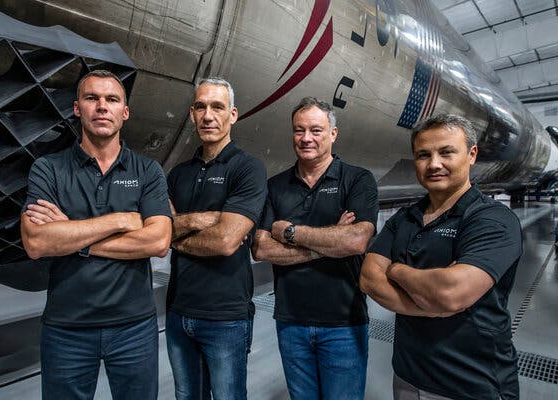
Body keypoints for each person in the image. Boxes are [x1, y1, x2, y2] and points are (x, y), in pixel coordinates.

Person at [20, 70, 172, 400]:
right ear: (77, 108)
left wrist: (71, 234)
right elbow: (36, 242)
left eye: (112, 99)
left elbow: (158, 241)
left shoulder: (147, 171)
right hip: (66, 329)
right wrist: (122, 219)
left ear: (125, 112)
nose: (102, 106)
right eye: (92, 98)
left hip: (134, 327)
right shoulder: (49, 169)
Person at [360, 114, 523, 400]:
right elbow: (370, 278)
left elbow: (450, 292)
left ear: (471, 155)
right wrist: (430, 305)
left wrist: (397, 270)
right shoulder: (405, 218)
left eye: (446, 152)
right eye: (424, 155)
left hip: (471, 384)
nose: (434, 164)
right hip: (408, 378)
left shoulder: (492, 219)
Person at [252, 97, 378, 400]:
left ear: (333, 134)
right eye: (299, 130)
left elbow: (356, 241)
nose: (306, 138)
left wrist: (290, 232)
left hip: (343, 324)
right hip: (290, 322)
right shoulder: (275, 186)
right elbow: (261, 249)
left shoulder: (357, 179)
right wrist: (329, 240)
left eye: (316, 130)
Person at [166, 77, 267, 399]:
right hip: (178, 313)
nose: (208, 116)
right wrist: (199, 219)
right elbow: (158, 230)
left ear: (233, 115)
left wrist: (175, 235)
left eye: (217, 107)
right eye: (200, 107)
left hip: (225, 317)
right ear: (193, 114)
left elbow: (225, 240)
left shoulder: (248, 168)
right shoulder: (178, 174)